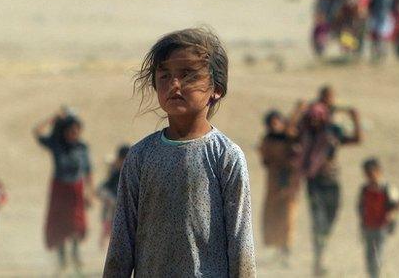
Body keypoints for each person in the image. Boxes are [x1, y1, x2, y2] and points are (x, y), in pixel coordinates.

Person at [103, 27, 256, 276]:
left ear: (216, 89)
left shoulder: (226, 156)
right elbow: (121, 244)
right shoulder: (141, 156)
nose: (175, 85)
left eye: (188, 76)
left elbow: (241, 247)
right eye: (165, 76)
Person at [290, 86, 362, 276]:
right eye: (312, 117)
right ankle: (318, 260)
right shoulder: (305, 133)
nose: (314, 120)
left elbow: (357, 139)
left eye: (317, 117)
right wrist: (297, 111)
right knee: (318, 221)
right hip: (314, 183)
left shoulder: (332, 133)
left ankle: (321, 252)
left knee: (331, 218)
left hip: (332, 182)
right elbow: (289, 132)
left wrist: (355, 119)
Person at [33, 109, 93, 274]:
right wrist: (53, 118)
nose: (74, 133)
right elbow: (37, 132)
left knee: (76, 224)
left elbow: (88, 170)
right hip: (59, 190)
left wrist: (90, 192)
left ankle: (75, 256)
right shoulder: (56, 144)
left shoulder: (82, 147)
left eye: (77, 130)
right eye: (71, 130)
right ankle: (62, 261)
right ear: (65, 131)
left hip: (76, 189)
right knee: (58, 225)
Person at [259, 110, 300, 267]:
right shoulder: (267, 140)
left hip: (289, 182)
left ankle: (286, 253)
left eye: (277, 122)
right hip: (273, 183)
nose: (274, 125)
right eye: (272, 123)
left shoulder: (291, 138)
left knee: (288, 218)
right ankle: (278, 251)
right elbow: (265, 160)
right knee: (274, 217)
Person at [357, 158, 399, 278]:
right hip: (368, 226)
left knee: (379, 254)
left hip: (382, 226)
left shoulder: (387, 188)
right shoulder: (365, 190)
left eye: (372, 173)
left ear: (378, 171)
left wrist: (392, 214)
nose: (371, 177)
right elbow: (361, 207)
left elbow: (398, 203)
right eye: (368, 174)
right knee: (369, 255)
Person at [97, 145, 130, 251]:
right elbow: (102, 188)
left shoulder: (133, 173)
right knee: (109, 227)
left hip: (125, 209)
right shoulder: (116, 173)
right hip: (113, 208)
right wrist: (109, 198)